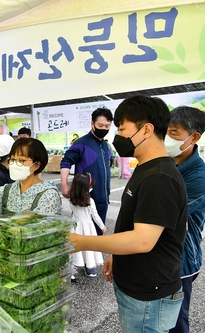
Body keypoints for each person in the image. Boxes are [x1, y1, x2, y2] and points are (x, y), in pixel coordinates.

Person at [70, 95, 188, 333]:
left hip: (148, 295)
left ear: (146, 129)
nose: (118, 136)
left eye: (122, 129)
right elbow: (135, 224)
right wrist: (116, 253)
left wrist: (81, 242)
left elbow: (142, 240)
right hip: (137, 285)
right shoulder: (145, 167)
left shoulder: (159, 177)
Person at [165, 106, 205, 333]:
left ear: (194, 137)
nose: (166, 138)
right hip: (157, 256)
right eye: (165, 131)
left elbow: (163, 215)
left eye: (173, 133)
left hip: (181, 261)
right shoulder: (164, 161)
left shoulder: (200, 178)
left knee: (175, 321)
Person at [60, 107, 113, 234]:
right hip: (84, 201)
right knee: (84, 234)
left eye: (107, 126)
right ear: (92, 124)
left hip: (103, 199)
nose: (104, 129)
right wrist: (64, 185)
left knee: (98, 234)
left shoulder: (106, 146)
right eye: (100, 125)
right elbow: (66, 162)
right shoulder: (81, 144)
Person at [0, 138, 61, 216]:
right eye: (13, 159)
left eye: (21, 160)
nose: (15, 164)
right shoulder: (7, 190)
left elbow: (39, 226)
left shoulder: (48, 195)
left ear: (36, 165)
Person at [69, 173, 107, 278]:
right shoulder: (90, 201)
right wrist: (102, 227)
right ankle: (89, 265)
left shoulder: (71, 200)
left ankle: (71, 269)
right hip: (87, 228)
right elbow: (95, 216)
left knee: (74, 247)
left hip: (75, 226)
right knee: (88, 247)